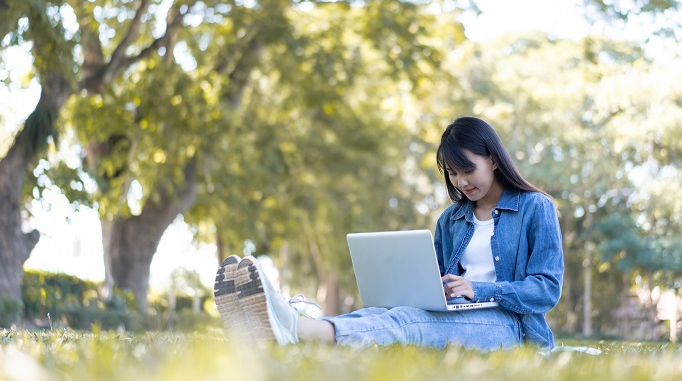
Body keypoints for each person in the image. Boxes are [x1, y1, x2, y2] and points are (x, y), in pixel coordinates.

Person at [214, 116, 564, 351]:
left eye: (467, 169)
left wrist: (480, 289)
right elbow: (435, 284)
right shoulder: (452, 219)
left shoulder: (535, 208)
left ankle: (297, 331)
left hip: (509, 327)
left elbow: (546, 290)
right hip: (456, 314)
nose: (460, 182)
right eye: (452, 174)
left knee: (412, 323)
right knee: (384, 315)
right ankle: (287, 328)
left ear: (493, 159)